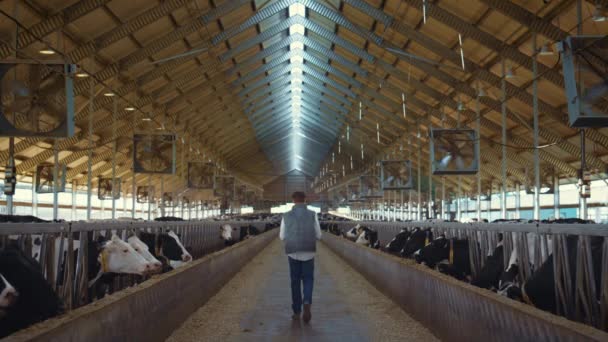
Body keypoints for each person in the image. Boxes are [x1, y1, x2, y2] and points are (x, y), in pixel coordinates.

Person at [279, 191, 322, 323]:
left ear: (293, 200)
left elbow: (282, 236)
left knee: (295, 282)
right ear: (305, 200)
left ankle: (297, 311)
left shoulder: (286, 215)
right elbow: (319, 235)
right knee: (308, 279)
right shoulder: (312, 214)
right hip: (309, 252)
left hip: (293, 253)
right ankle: (307, 301)